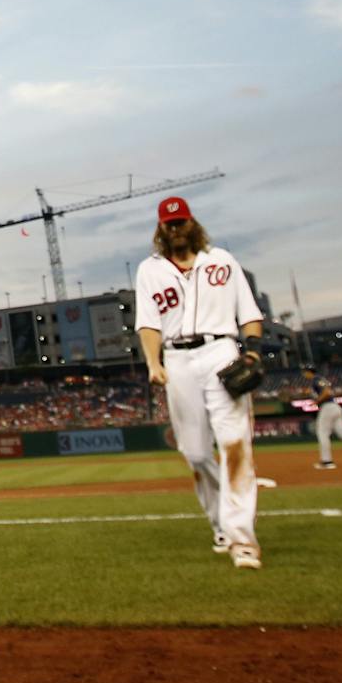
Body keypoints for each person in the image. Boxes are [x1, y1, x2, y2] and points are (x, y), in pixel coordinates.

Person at [135, 195, 266, 570]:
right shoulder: (150, 269)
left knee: (234, 443)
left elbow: (250, 314)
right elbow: (148, 322)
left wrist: (253, 353)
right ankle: (221, 523)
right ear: (161, 228)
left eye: (181, 222)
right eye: (169, 224)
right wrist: (152, 361)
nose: (176, 229)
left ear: (192, 224)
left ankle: (243, 539)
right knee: (194, 453)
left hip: (220, 351)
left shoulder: (222, 261)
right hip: (177, 358)